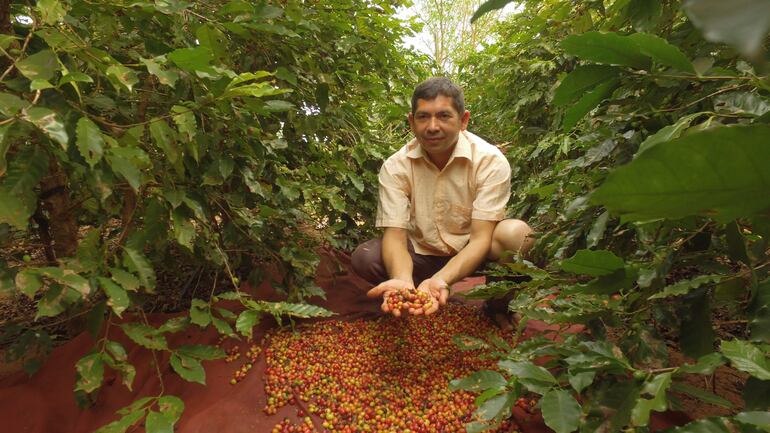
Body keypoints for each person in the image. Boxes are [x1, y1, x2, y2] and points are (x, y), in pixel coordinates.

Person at [351, 77, 534, 317]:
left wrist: (441, 280)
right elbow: (395, 236)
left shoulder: (489, 161)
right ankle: (410, 296)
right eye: (423, 117)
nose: (432, 127)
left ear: (463, 120)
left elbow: (480, 239)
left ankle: (498, 307)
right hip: (421, 252)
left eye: (444, 116)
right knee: (366, 257)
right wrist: (402, 279)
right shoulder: (396, 166)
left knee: (519, 236)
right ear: (411, 122)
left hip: (472, 251)